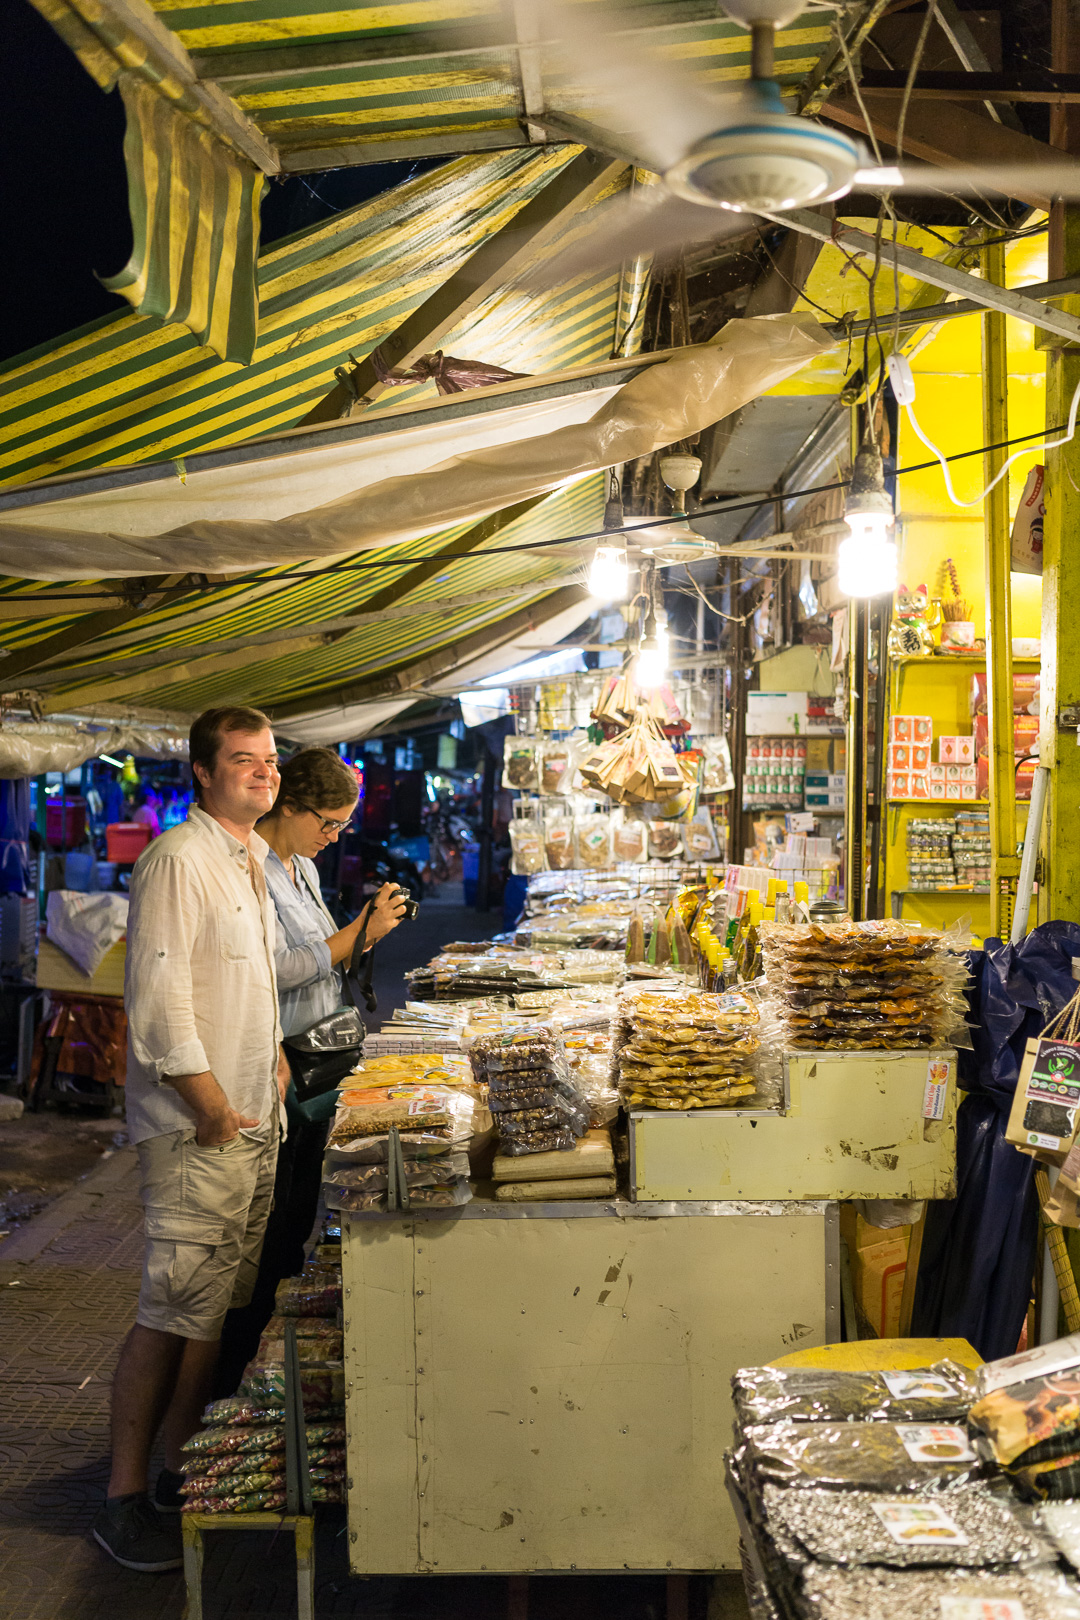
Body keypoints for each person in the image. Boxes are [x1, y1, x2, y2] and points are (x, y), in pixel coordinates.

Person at [93, 706, 288, 1573]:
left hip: (250, 1124)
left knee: (208, 1310)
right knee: (167, 1312)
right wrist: (209, 1104)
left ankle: (175, 1466)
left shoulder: (246, 859)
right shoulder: (179, 859)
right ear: (203, 774)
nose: (262, 772)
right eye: (243, 760)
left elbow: (243, 985)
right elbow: (161, 1002)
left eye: (269, 760)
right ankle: (123, 1497)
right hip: (198, 1133)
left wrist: (272, 1058)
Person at [212, 747, 407, 1394]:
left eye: (342, 828)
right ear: (287, 805)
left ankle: (261, 1363)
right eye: (327, 823)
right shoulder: (249, 872)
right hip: (279, 1071)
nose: (333, 837)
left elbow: (323, 962)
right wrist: (357, 930)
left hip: (318, 1066)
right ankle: (233, 1376)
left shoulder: (300, 869)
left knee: (295, 1218)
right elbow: (280, 969)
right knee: (268, 1230)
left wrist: (369, 932)